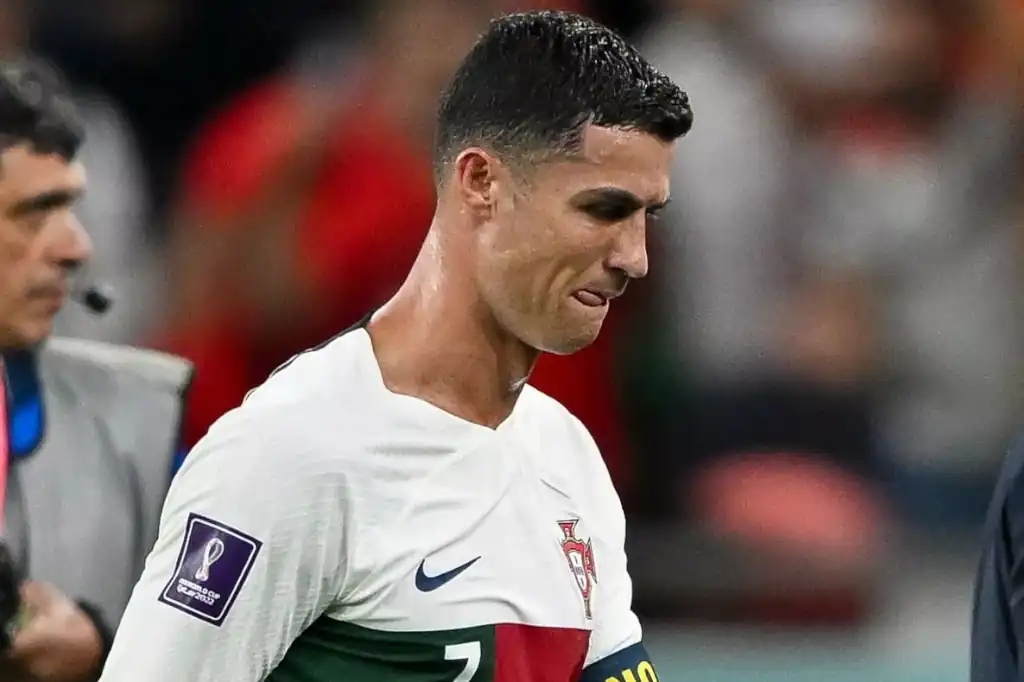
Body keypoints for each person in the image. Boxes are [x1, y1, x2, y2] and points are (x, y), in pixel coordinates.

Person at [99, 10, 692, 681]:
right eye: (603, 210)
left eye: (648, 216)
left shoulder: (569, 458)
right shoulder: (291, 454)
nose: (636, 257)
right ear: (480, 184)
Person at [0, 59, 192, 681]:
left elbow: (243, 651)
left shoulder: (143, 428)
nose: (78, 247)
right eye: (35, 212)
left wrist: (106, 653)